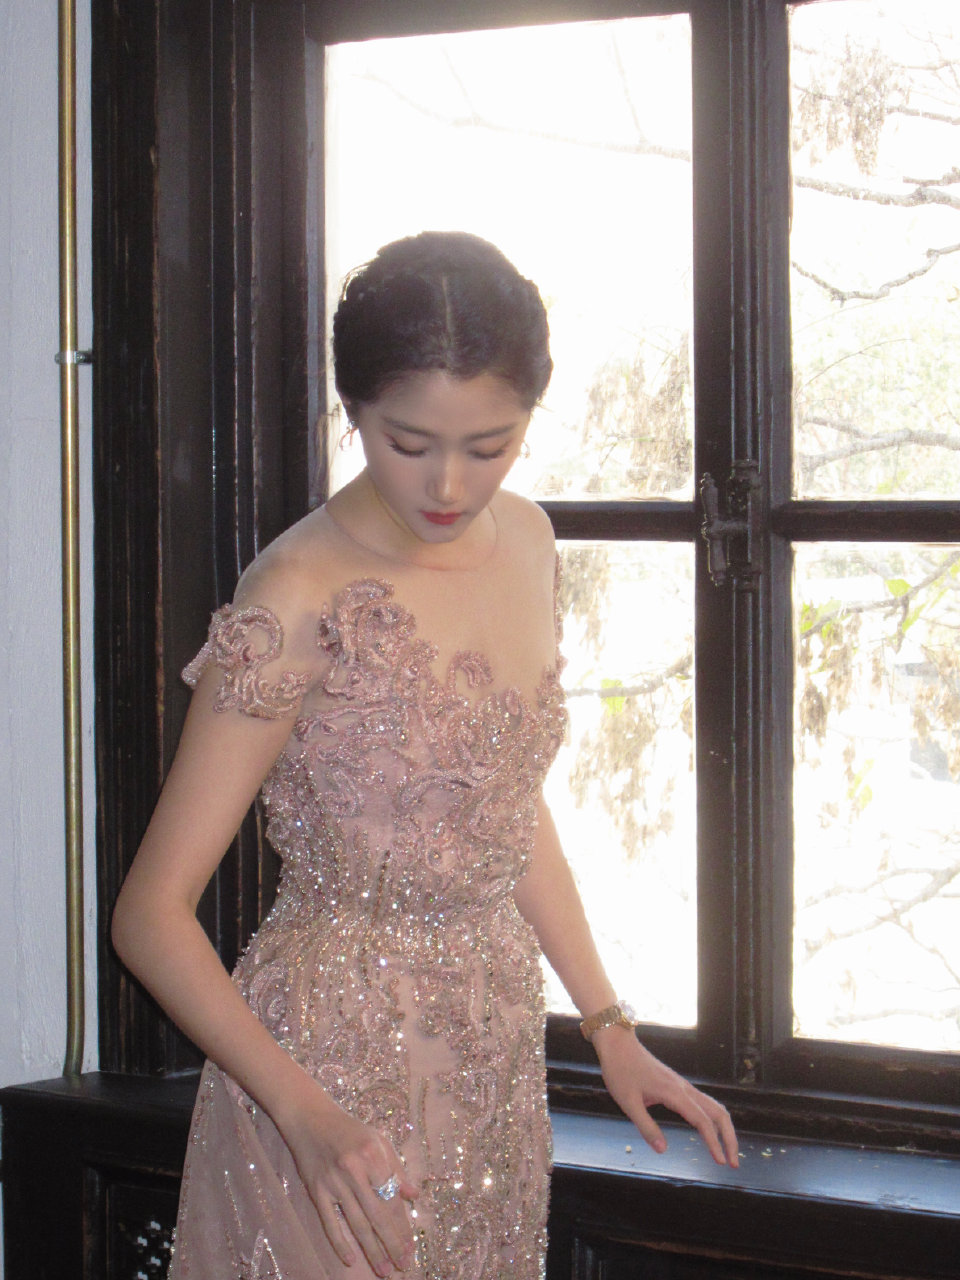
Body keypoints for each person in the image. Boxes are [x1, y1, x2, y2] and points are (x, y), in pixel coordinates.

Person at [112, 230, 738, 1280]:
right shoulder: (297, 593)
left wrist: (608, 1024)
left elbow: (503, 810)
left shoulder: (529, 542)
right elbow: (149, 914)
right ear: (353, 407)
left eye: (489, 446)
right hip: (318, 1082)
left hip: (491, 1062)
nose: (449, 482)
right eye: (408, 442)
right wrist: (306, 1116)